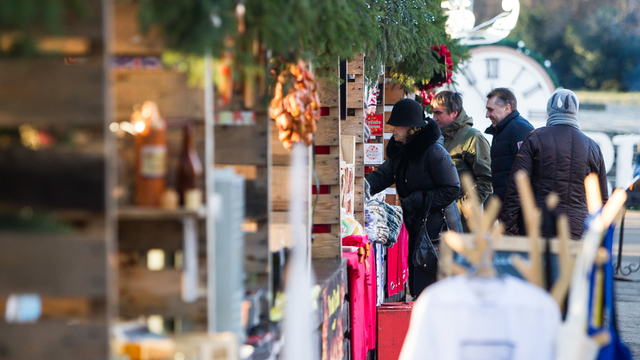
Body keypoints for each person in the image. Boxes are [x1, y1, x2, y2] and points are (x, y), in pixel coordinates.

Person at [366, 98, 460, 297]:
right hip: (419, 227)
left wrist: (417, 200)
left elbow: (452, 188)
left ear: (410, 127)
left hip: (438, 233)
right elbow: (383, 176)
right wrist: (359, 187)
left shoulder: (435, 152)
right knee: (419, 283)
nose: (392, 129)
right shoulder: (402, 150)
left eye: (396, 125)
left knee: (432, 287)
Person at [499, 89, 608, 239]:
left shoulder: (535, 138)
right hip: (577, 231)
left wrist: (507, 229)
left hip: (538, 227)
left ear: (549, 111)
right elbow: (601, 198)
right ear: (575, 112)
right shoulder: (592, 147)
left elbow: (517, 187)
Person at [431, 90, 492, 231]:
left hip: (466, 225)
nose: (434, 118)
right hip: (439, 222)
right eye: (433, 112)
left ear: (454, 113)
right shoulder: (437, 137)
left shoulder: (473, 137)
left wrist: (460, 209)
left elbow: (486, 181)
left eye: (439, 113)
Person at [484, 88, 534, 202]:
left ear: (507, 108)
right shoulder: (504, 130)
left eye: (490, 110)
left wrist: (511, 212)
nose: (487, 115)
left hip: (515, 210)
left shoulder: (519, 129)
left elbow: (525, 174)